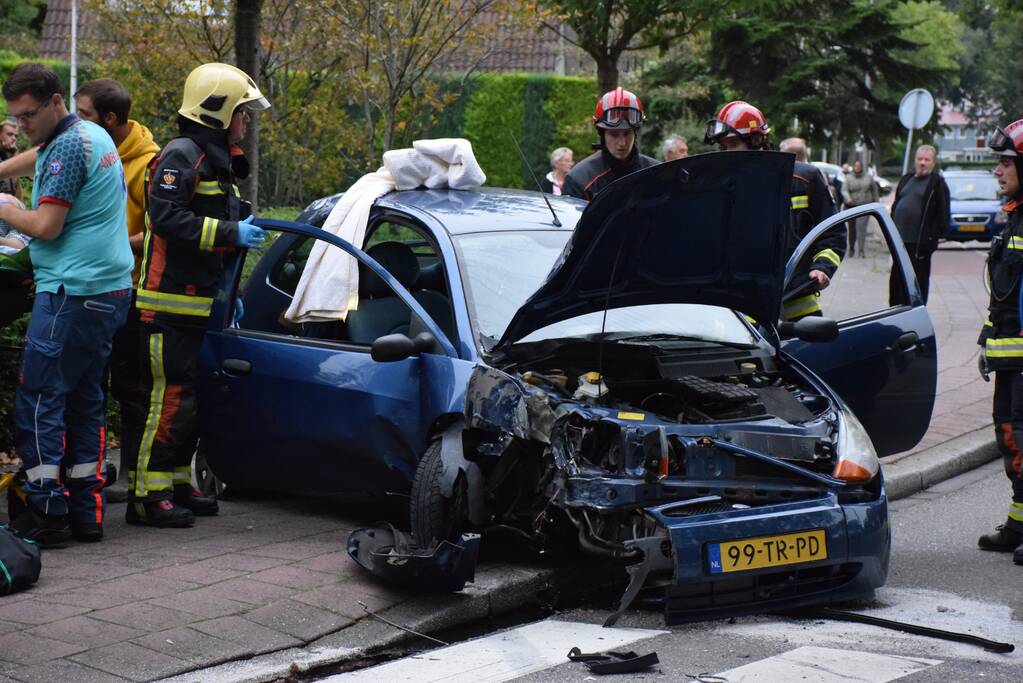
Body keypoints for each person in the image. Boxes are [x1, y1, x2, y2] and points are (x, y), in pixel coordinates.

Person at [127, 62, 269, 528]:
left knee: (189, 398)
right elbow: (166, 220)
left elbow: (215, 239)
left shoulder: (216, 160)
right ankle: (146, 496)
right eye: (242, 113)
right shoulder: (181, 156)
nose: (246, 122)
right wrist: (231, 230)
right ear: (217, 110)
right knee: (166, 399)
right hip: (167, 303)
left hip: (200, 302)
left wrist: (232, 292)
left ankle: (173, 481)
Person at [0, 62, 133, 546]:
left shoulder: (69, 149)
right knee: (84, 398)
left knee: (39, 398)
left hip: (71, 294)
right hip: (109, 291)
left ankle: (45, 513)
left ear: (56, 102)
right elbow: (38, 155)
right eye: (16, 115)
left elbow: (48, 227)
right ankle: (86, 511)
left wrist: (6, 208)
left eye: (29, 114)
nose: (23, 123)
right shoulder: (90, 136)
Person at [73, 78, 161, 502]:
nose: (77, 123)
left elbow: (159, 233)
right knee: (90, 385)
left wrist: (109, 243)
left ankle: (130, 475)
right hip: (89, 288)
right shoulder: (90, 152)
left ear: (110, 119)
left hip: (130, 293)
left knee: (131, 387)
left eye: (85, 115)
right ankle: (89, 470)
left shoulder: (150, 165)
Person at [705, 101, 842, 321]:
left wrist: (823, 267)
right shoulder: (723, 187)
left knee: (811, 354)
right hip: (744, 311)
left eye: (733, 144)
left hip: (798, 304)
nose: (728, 153)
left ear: (756, 139)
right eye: (724, 146)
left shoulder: (803, 179)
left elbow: (833, 232)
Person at [976, 119, 1023, 565]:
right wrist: (988, 337)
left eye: (1006, 162)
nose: (998, 170)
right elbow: (1005, 293)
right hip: (1010, 360)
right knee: (1010, 439)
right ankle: (1018, 524)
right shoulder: (1013, 218)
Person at [562, 87, 658, 201]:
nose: (622, 143)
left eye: (627, 133)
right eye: (614, 134)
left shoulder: (658, 173)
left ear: (635, 133)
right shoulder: (579, 179)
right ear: (602, 134)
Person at [889, 145, 950, 304]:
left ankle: (915, 321)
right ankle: (896, 317)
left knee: (915, 289)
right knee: (896, 285)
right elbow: (897, 205)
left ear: (933, 162)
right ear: (915, 160)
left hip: (919, 247)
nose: (923, 163)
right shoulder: (906, 179)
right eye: (920, 159)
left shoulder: (937, 183)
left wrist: (930, 240)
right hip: (900, 244)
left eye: (927, 160)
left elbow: (943, 217)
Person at [842, 160, 879, 257]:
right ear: (853, 167)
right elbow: (844, 190)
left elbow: (874, 190)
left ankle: (861, 250)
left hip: (864, 205)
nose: (857, 168)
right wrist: (848, 198)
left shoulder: (868, 177)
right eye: (855, 166)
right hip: (852, 206)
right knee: (852, 228)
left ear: (862, 167)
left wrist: (876, 203)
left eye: (859, 166)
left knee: (861, 227)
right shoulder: (848, 177)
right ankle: (851, 248)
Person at [0, 120, 23, 201]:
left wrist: (15, 154)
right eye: (9, 134)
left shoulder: (8, 157)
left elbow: (16, 189)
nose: (14, 139)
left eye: (15, 136)